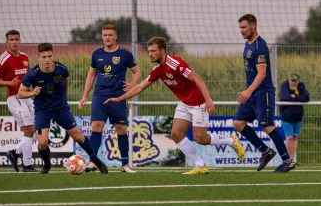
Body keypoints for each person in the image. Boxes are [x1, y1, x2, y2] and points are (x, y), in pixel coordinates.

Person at [104, 37, 245, 175]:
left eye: (153, 51)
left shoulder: (175, 63)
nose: (150, 54)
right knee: (176, 134)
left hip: (198, 102)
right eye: (149, 51)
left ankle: (231, 141)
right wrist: (119, 99)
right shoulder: (157, 69)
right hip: (185, 103)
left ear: (163, 51)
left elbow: (197, 78)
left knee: (200, 139)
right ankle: (200, 165)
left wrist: (208, 100)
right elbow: (140, 87)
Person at [18, 43, 107, 174]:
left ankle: (96, 160)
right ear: (38, 57)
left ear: (52, 55)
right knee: (42, 143)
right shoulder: (32, 74)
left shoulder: (61, 69)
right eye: (43, 57)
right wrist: (32, 93)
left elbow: (65, 80)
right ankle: (47, 165)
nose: (47, 60)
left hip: (61, 108)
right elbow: (20, 93)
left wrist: (64, 97)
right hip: (43, 110)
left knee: (77, 135)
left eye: (49, 56)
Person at [234, 14, 296, 173]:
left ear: (253, 26)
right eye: (240, 27)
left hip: (263, 93)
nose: (241, 30)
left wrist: (249, 90)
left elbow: (261, 73)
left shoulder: (259, 46)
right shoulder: (248, 44)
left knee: (267, 126)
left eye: (244, 27)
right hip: (252, 93)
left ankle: (287, 160)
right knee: (238, 123)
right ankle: (266, 151)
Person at [78, 24, 141, 173]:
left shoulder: (125, 54)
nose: (107, 38)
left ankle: (125, 165)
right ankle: (93, 162)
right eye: (105, 35)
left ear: (115, 36)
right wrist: (85, 95)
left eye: (110, 35)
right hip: (99, 96)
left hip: (118, 96)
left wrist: (132, 84)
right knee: (96, 127)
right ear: (102, 36)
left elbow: (137, 71)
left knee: (121, 129)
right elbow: (91, 75)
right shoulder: (96, 54)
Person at [0, 30, 36, 172]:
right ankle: (27, 165)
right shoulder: (3, 59)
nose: (14, 42)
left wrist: (35, 91)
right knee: (29, 130)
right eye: (11, 40)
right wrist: (8, 83)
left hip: (27, 97)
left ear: (20, 40)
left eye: (17, 39)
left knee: (36, 131)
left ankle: (15, 153)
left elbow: (29, 77)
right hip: (14, 98)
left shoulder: (24, 57)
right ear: (7, 42)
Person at [279, 73, 310, 163]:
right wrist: (298, 98)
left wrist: (294, 97)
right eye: (292, 80)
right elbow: (284, 97)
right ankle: (287, 160)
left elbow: (306, 98)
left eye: (295, 81)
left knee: (295, 138)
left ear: (298, 81)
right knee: (289, 138)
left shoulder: (301, 86)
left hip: (298, 118)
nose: (293, 83)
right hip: (287, 118)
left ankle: (292, 159)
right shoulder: (284, 86)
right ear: (289, 80)